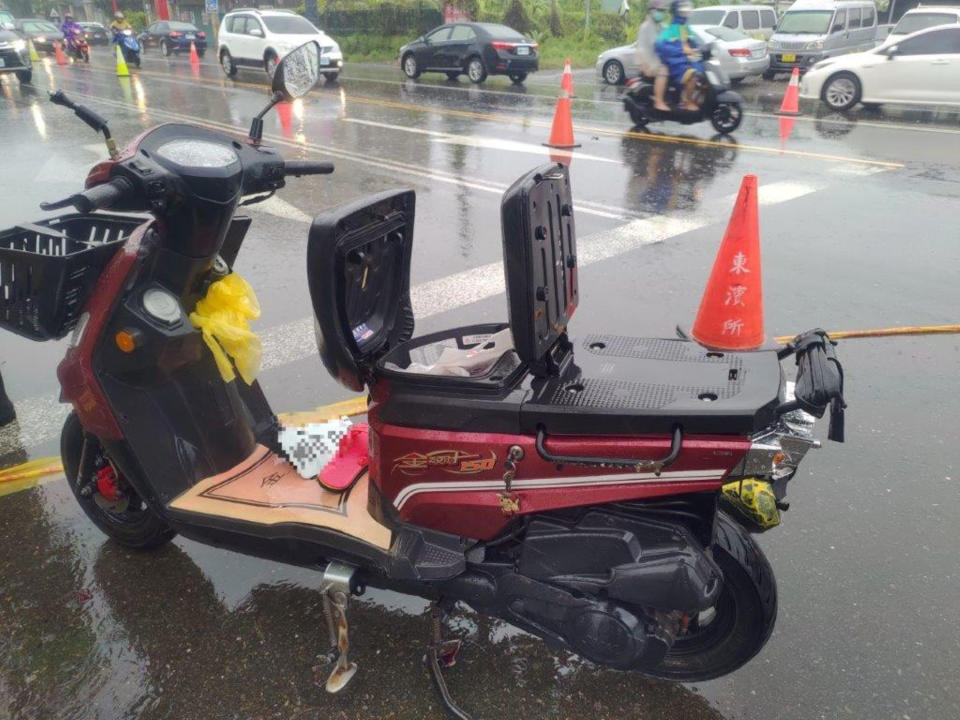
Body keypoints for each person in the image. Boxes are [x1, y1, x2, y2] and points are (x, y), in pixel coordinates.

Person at [655, 0, 704, 111]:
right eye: (683, 11)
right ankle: (688, 102)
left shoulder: (686, 28)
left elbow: (694, 43)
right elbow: (661, 46)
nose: (685, 13)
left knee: (703, 75)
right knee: (692, 75)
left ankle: (696, 100)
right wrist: (680, 51)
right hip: (676, 62)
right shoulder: (670, 29)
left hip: (688, 60)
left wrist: (699, 49)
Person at [636, 0, 670, 112]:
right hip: (648, 63)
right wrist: (645, 66)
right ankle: (658, 101)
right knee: (663, 70)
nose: (661, 13)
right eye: (659, 10)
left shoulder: (662, 27)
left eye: (663, 11)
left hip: (658, 61)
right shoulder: (645, 27)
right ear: (652, 11)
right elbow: (641, 49)